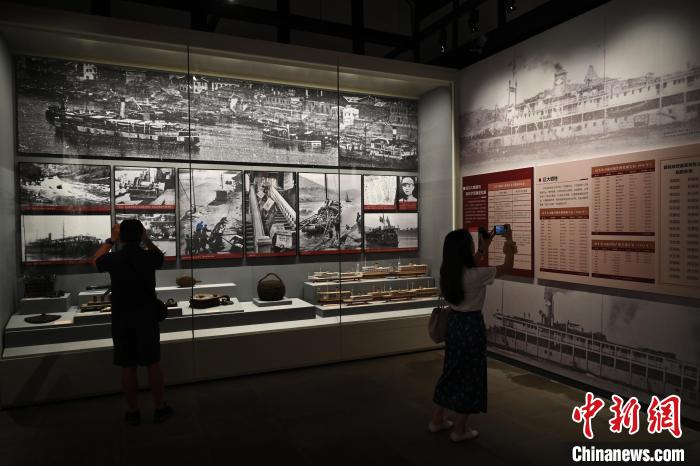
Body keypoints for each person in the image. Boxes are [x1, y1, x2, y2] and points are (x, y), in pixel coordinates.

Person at [428, 226, 516, 442]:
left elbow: (470, 266)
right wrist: (509, 241)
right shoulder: (476, 275)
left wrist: (484, 249)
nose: (473, 245)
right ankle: (459, 429)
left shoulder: (447, 271)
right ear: (464, 249)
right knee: (471, 375)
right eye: (471, 243)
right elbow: (508, 267)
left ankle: (437, 420)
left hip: (454, 324)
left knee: (451, 370)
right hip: (471, 326)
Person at [92, 219, 173, 426]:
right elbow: (160, 257)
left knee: (127, 365)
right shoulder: (149, 257)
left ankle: (132, 411)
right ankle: (159, 408)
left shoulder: (114, 258)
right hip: (146, 316)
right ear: (141, 234)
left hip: (122, 317)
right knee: (153, 363)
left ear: (121, 237)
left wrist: (111, 240)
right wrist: (147, 239)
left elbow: (96, 260)